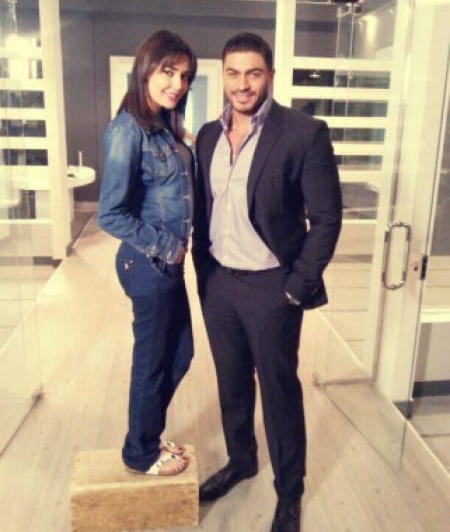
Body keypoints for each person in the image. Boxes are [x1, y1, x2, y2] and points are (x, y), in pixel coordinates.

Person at [192, 32, 342, 531]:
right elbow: (204, 209)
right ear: (223, 75)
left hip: (271, 288)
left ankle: (289, 492)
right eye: (233, 73)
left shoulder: (303, 133)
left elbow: (327, 219)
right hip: (220, 283)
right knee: (231, 381)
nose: (242, 84)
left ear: (270, 76)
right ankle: (241, 461)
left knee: (278, 392)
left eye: (253, 73)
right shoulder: (208, 136)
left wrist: (296, 287)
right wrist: (204, 274)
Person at [98, 30, 197, 477]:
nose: (177, 83)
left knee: (180, 354)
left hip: (166, 265)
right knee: (153, 363)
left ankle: (147, 434)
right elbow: (110, 213)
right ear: (146, 69)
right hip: (148, 263)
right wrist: (168, 247)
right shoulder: (128, 130)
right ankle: (139, 452)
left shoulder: (165, 130)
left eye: (185, 76)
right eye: (168, 71)